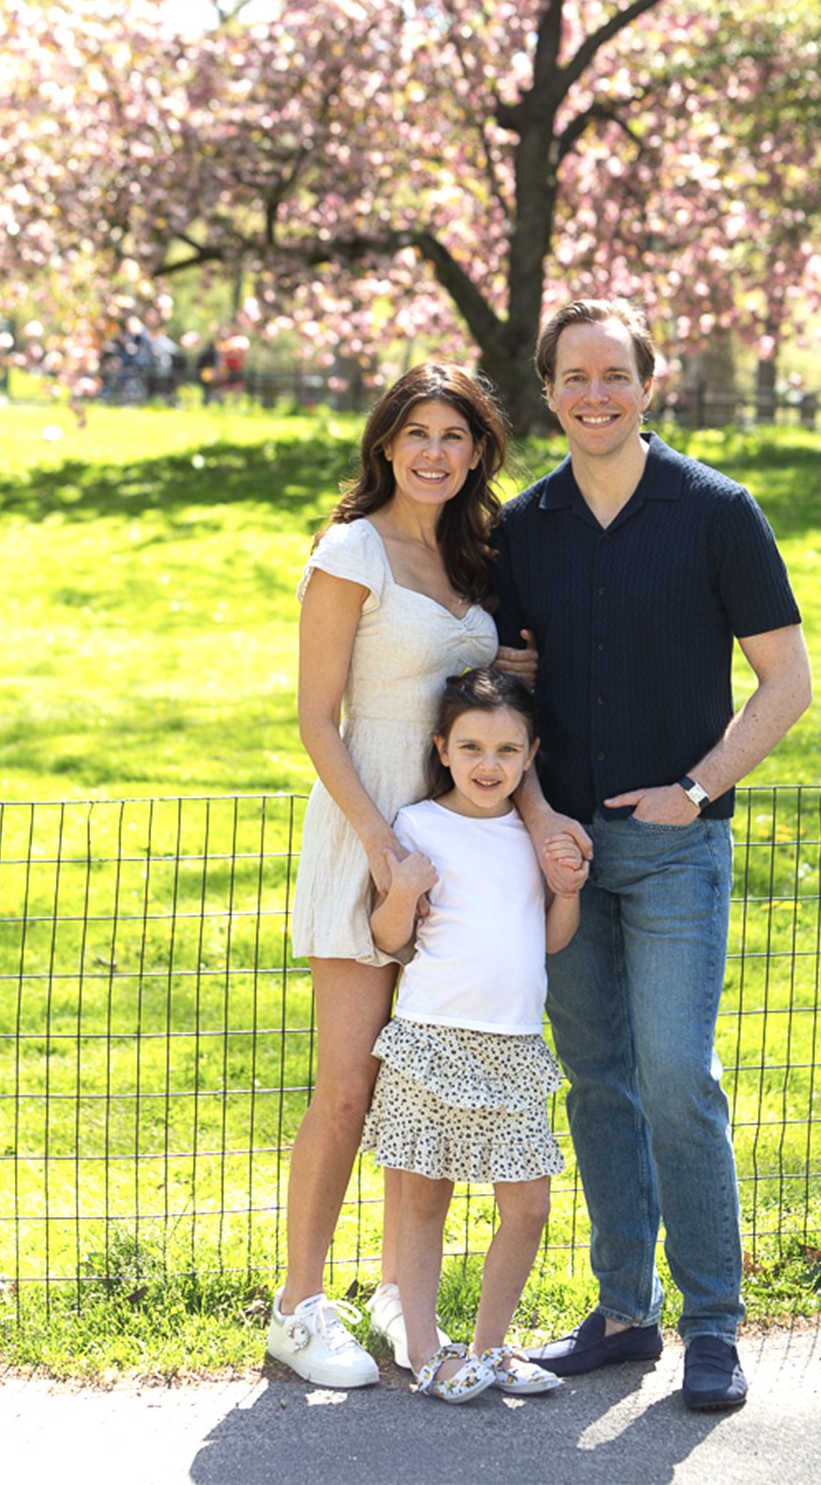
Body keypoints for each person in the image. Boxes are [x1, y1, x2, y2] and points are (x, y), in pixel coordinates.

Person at [495, 298, 812, 1412]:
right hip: (565, 852)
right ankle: (624, 1312)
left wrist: (695, 789)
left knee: (679, 1076)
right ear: (549, 390)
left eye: (614, 374)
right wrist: (536, 814)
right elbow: (506, 692)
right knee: (597, 1082)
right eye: (574, 376)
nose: (595, 393)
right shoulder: (523, 527)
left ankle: (713, 1324)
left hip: (678, 851)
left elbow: (788, 682)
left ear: (649, 381)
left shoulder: (717, 511)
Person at [268, 361, 510, 1388]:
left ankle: (396, 1287)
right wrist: (378, 844)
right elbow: (316, 713)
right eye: (417, 432)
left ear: (477, 452)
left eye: (455, 435)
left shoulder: (469, 558)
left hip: (453, 845)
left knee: (429, 1080)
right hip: (370, 832)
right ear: (384, 443)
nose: (434, 451)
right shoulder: (352, 548)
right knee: (349, 1081)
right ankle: (297, 1303)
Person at [362, 668, 585, 1403]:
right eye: (472, 747)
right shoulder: (419, 825)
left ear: (529, 757)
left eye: (506, 750)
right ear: (443, 748)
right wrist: (400, 888)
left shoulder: (535, 836)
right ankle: (427, 1350)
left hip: (515, 1044)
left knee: (528, 1206)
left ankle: (490, 1347)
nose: (489, 765)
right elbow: (390, 937)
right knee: (426, 1199)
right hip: (432, 1038)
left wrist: (569, 892)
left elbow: (552, 941)